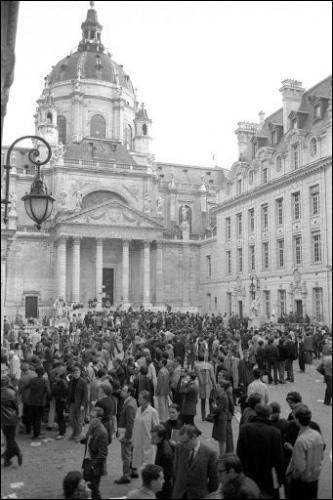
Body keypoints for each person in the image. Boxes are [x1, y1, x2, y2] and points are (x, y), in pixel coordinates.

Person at [236, 403, 284, 498]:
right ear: (269, 415)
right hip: (267, 475)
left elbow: (239, 453)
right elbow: (278, 459)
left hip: (248, 473)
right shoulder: (274, 432)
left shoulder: (245, 429)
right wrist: (280, 479)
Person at [286, 405, 325, 500]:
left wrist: (291, 477)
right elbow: (321, 456)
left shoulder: (301, 441)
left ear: (298, 420)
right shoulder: (317, 435)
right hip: (314, 480)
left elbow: (300, 467)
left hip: (301, 483)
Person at [172, 424, 219, 499]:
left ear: (194, 437)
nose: (183, 445)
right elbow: (176, 469)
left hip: (198, 495)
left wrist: (208, 496)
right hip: (179, 494)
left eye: (186, 442)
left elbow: (214, 480)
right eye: (182, 442)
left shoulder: (210, 453)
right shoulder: (179, 447)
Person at [81, 407, 108, 500]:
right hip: (87, 461)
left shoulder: (102, 432)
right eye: (90, 416)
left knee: (94, 490)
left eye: (92, 417)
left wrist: (92, 466)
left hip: (94, 466)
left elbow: (103, 454)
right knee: (86, 487)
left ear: (99, 419)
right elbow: (88, 440)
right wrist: (83, 439)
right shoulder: (92, 427)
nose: (90, 419)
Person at [114, 384, 138, 484]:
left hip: (127, 433)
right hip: (129, 432)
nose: (121, 392)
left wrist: (127, 436)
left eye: (124, 391)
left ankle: (126, 475)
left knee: (126, 455)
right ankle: (133, 471)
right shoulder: (132, 401)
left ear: (129, 393)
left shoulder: (129, 405)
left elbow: (130, 422)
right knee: (131, 453)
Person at [132, 390, 159, 472]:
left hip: (149, 443)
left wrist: (154, 441)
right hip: (138, 442)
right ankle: (143, 483)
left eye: (140, 398)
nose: (138, 400)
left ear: (146, 400)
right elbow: (135, 426)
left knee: (148, 467)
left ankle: (146, 483)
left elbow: (157, 428)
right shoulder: (138, 409)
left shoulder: (153, 412)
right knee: (139, 465)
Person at [1, 375, 22, 467]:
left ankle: (16, 453)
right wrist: (18, 415)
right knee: (10, 439)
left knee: (9, 439)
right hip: (12, 417)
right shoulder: (12, 392)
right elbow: (16, 406)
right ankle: (7, 458)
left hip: (3, 419)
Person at [26, 365, 51, 439]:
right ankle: (36, 434)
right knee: (38, 418)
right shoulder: (45, 380)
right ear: (43, 373)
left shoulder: (32, 380)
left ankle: (36, 432)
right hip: (40, 402)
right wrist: (49, 398)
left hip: (32, 401)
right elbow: (49, 391)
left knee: (34, 418)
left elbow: (26, 386)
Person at [212, 377, 234, 456]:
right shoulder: (222, 395)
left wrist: (214, 407)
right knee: (221, 439)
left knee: (222, 439)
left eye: (218, 386)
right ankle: (222, 454)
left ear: (222, 388)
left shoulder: (223, 396)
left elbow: (219, 409)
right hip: (220, 418)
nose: (217, 387)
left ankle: (222, 456)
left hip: (221, 419)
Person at [151, 424, 174, 498]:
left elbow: (166, 476)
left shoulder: (165, 454)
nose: (152, 439)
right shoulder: (162, 444)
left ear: (161, 437)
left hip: (163, 489)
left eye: (154, 437)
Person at [68, 365, 88, 442]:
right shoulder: (71, 381)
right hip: (72, 403)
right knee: (72, 419)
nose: (76, 374)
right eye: (75, 373)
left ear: (80, 373)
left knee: (79, 420)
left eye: (78, 372)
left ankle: (78, 435)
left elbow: (85, 395)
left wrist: (83, 405)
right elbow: (69, 392)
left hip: (80, 404)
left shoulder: (83, 382)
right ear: (72, 374)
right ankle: (74, 432)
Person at [194, 355, 216, 422]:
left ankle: (203, 417)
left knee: (202, 401)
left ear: (198, 359)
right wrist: (214, 384)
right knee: (211, 400)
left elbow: (195, 375)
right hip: (209, 385)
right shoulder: (209, 365)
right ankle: (211, 414)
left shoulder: (196, 366)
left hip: (201, 385)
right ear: (204, 359)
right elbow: (212, 376)